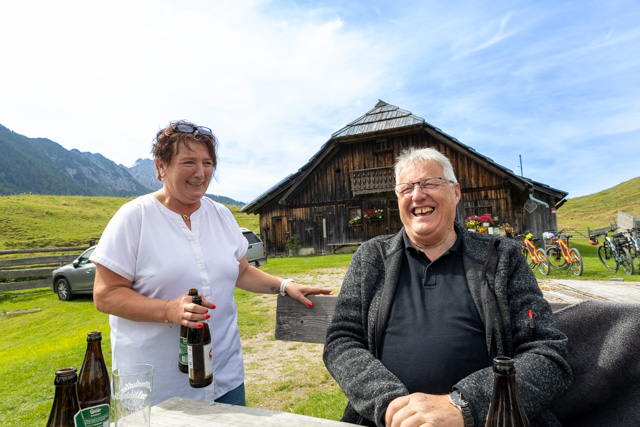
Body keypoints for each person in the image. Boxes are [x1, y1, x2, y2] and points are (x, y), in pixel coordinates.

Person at [323, 147, 572, 426]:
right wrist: (392, 405)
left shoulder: (502, 257)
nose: (417, 195)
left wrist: (464, 405)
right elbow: (342, 341)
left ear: (455, 192)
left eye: (429, 183)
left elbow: (547, 354)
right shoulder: (372, 258)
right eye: (406, 188)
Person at [91, 120, 332, 406]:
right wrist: (167, 310)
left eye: (207, 163)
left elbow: (241, 272)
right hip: (159, 387)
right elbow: (105, 295)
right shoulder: (134, 217)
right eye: (188, 162)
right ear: (161, 166)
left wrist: (284, 285)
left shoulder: (221, 215)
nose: (200, 172)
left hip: (225, 377)